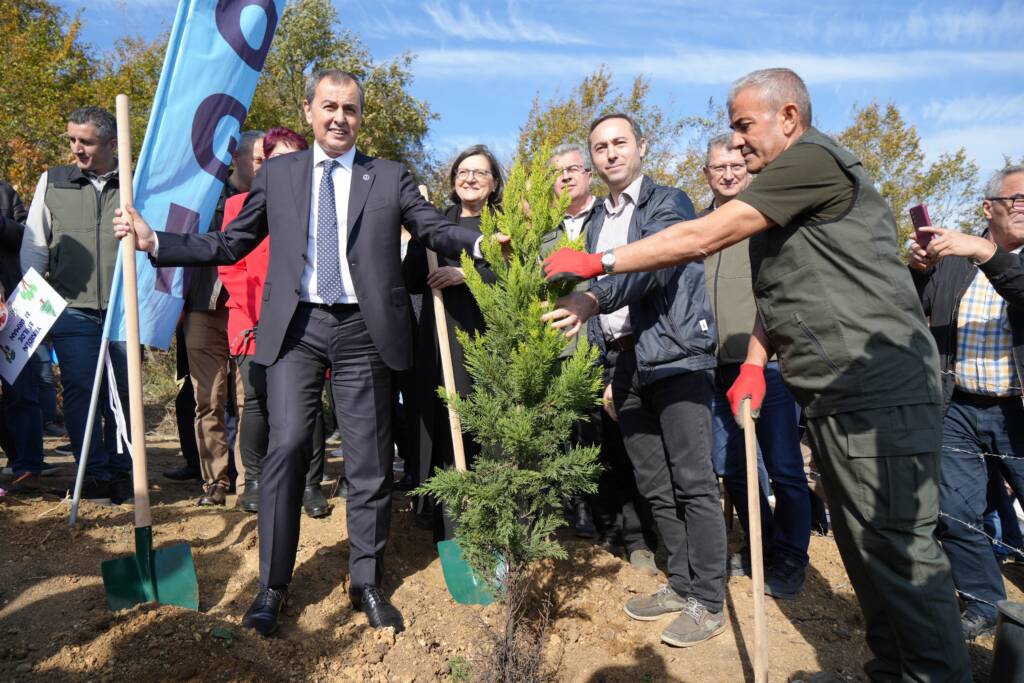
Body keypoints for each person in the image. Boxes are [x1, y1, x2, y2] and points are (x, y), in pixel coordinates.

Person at [542, 68, 970, 680]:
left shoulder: (813, 160)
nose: (737, 142)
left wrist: (600, 260)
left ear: (789, 116)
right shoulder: (786, 193)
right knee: (863, 548)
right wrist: (752, 361)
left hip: (880, 390)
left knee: (899, 551)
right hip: (833, 392)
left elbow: (701, 236)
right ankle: (892, 671)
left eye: (745, 126)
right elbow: (781, 294)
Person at [114, 69, 486, 637]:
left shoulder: (387, 176)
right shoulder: (280, 174)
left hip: (366, 328)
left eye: (351, 109)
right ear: (310, 111)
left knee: (368, 462)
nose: (340, 117)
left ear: (362, 118)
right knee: (286, 447)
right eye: (330, 106)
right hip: (296, 327)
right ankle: (273, 586)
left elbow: (433, 228)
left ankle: (366, 580)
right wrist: (156, 242)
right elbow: (231, 242)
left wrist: (482, 241)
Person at [552, 113, 726, 648]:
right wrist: (607, 371)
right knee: (653, 483)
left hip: (676, 357)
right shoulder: (599, 222)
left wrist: (591, 294)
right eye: (599, 146)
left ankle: (709, 600)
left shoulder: (669, 203)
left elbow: (648, 268)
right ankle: (679, 583)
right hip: (626, 364)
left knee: (693, 481)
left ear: (642, 147)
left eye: (619, 143)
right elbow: (607, 312)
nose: (609, 154)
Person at [909, 165, 1024, 640]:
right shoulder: (953, 260)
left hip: (1017, 411)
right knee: (955, 511)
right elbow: (912, 313)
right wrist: (917, 272)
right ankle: (983, 601)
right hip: (956, 406)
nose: (1023, 208)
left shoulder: (976, 251)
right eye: (1015, 199)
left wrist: (985, 251)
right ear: (988, 207)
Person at [701, 133, 811, 598]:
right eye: (717, 167)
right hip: (713, 368)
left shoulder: (768, 220)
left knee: (784, 466)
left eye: (735, 165)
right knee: (735, 467)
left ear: (748, 167)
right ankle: (760, 546)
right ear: (706, 173)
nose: (727, 174)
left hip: (768, 366)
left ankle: (791, 556)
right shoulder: (700, 225)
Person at [541, 143, 659, 568]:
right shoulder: (544, 230)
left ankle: (639, 535)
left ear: (589, 174)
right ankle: (595, 515)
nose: (567, 177)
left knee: (620, 445)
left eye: (575, 168)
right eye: (558, 172)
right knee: (578, 441)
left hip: (610, 346)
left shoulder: (607, 218)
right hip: (561, 352)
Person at [21, 106, 133, 505]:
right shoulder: (53, 182)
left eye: (85, 141)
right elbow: (35, 246)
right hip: (71, 308)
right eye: (71, 139)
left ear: (111, 143)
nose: (76, 149)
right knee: (82, 391)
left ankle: (124, 473)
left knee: (123, 394)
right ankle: (95, 473)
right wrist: (39, 306)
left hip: (125, 311)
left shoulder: (136, 182)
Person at [217, 126, 329, 518]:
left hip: (306, 323)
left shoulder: (320, 207)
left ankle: (310, 485)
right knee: (258, 399)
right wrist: (259, 318)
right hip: (253, 320)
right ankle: (256, 482)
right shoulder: (239, 206)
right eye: (274, 159)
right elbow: (231, 266)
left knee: (307, 403)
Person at [404, 144, 501, 542]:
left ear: (494, 184)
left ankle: (488, 524)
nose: (470, 178)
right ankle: (450, 528)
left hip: (485, 343)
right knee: (444, 428)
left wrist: (468, 275)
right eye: (463, 171)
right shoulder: (435, 224)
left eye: (480, 172)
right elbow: (410, 280)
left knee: (483, 433)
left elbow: (518, 278)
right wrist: (417, 243)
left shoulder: (503, 227)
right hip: (438, 343)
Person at [184, 130, 263, 507]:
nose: (267, 167)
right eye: (261, 160)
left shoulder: (277, 198)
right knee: (209, 398)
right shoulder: (205, 196)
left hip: (252, 310)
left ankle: (251, 482)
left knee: (251, 398)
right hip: (205, 307)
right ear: (238, 160)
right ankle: (215, 481)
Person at [0, 178, 47, 495]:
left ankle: (27, 466)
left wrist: (2, 224)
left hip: (12, 308)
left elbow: (28, 237)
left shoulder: (3, 192)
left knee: (22, 388)